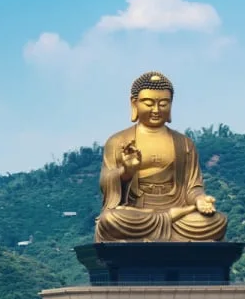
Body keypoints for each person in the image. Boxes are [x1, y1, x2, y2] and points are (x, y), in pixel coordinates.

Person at [95, 72, 227, 242]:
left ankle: (169, 222)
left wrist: (200, 199)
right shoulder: (118, 141)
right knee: (110, 219)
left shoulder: (185, 143)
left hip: (177, 211)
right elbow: (106, 182)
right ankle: (168, 224)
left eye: (163, 104)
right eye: (148, 103)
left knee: (218, 221)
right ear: (134, 103)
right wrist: (126, 171)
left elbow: (192, 187)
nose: (156, 110)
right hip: (137, 211)